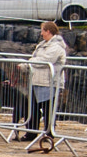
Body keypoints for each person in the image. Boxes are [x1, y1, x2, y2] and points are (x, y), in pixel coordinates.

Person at [22, 20, 69, 149]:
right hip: (37, 80)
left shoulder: (56, 47)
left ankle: (49, 134)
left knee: (49, 109)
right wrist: (30, 64)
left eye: (42, 30)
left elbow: (45, 60)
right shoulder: (42, 45)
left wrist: (28, 63)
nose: (41, 33)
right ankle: (31, 132)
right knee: (31, 107)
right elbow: (37, 59)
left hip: (49, 83)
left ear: (48, 31)